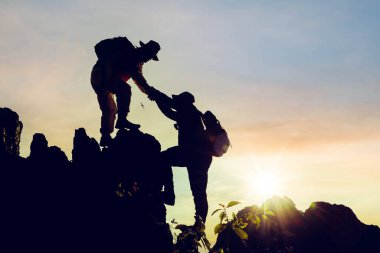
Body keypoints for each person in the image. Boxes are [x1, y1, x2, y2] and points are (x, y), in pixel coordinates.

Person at [149, 88, 212, 223]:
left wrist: (155, 96)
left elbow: (168, 109)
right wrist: (156, 98)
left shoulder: (188, 112)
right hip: (200, 157)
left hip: (191, 155)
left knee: (162, 159)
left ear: (184, 102)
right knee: (199, 193)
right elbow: (169, 108)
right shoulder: (193, 113)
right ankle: (200, 223)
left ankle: (169, 195)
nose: (176, 104)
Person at [90, 37, 160, 146]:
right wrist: (107, 63)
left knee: (109, 108)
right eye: (149, 55)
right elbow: (98, 47)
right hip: (100, 74)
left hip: (104, 80)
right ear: (144, 49)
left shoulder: (137, 64)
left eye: (150, 57)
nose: (148, 59)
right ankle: (122, 120)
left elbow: (139, 80)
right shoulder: (125, 45)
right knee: (124, 90)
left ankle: (105, 136)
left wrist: (149, 92)